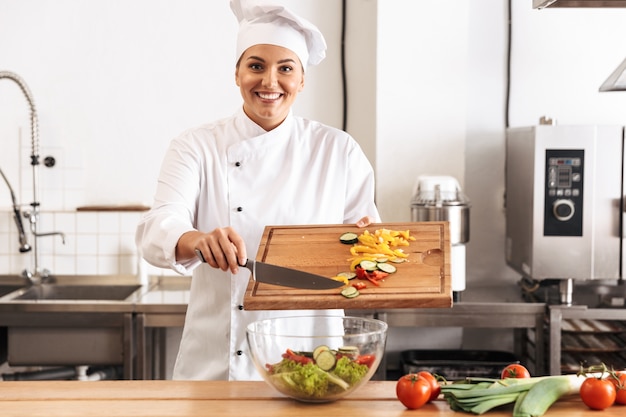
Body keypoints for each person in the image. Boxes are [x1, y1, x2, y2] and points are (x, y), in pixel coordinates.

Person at [136, 0, 380, 380]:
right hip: (217, 365)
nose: (269, 82)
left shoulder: (338, 150)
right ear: (237, 74)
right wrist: (196, 240)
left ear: (302, 80)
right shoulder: (196, 146)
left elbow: (364, 247)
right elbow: (157, 228)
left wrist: (364, 242)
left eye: (285, 69)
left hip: (312, 358)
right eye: (256, 66)